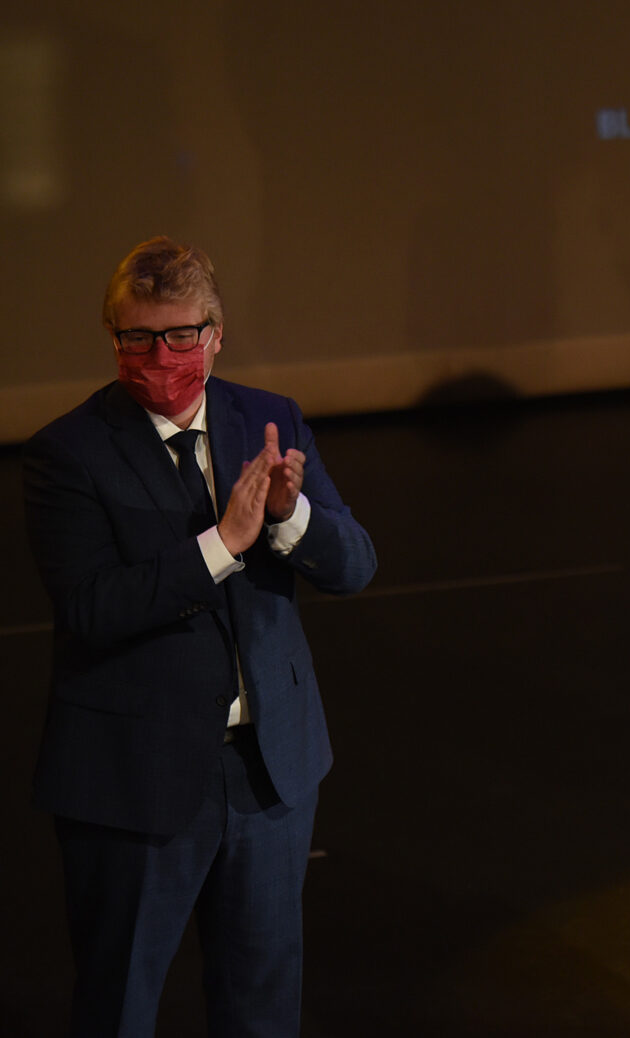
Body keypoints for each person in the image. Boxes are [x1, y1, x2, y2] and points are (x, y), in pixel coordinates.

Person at [23, 237, 377, 1036]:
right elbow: (92, 606)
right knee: (119, 1007)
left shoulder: (270, 419)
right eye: (138, 338)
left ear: (215, 335)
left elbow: (355, 566)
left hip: (269, 775)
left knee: (262, 1008)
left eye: (180, 335)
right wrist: (223, 542)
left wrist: (288, 516)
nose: (161, 357)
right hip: (134, 783)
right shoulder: (66, 454)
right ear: (112, 335)